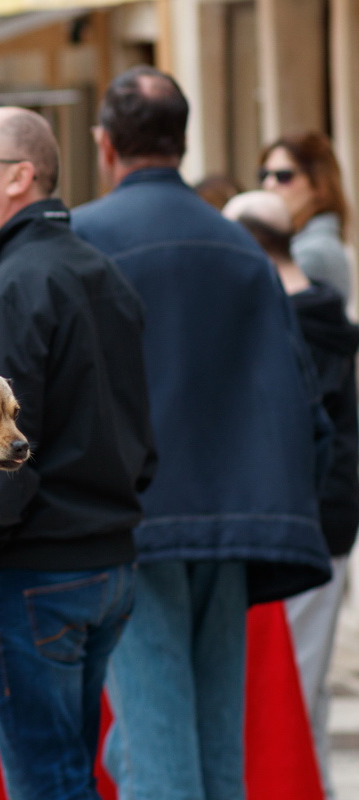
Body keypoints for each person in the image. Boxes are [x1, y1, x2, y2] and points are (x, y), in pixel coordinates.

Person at [71, 66, 332, 800]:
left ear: (105, 145)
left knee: (156, 750)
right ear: (183, 142)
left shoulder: (82, 241)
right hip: (229, 523)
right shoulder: (243, 247)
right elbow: (299, 399)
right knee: (214, 750)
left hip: (130, 524)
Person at [0, 107, 154, 799]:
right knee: (68, 775)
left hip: (37, 568)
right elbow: (139, 432)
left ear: (20, 176)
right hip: (101, 561)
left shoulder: (19, 283)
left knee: (49, 783)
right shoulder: (94, 270)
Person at [223, 190, 359, 800]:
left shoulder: (284, 319)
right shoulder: (319, 315)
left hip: (297, 527)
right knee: (301, 693)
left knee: (290, 694)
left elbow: (300, 433)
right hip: (311, 525)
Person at [260, 131, 354, 306]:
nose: (269, 185)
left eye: (284, 176)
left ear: (318, 184)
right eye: (264, 175)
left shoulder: (313, 251)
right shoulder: (301, 242)